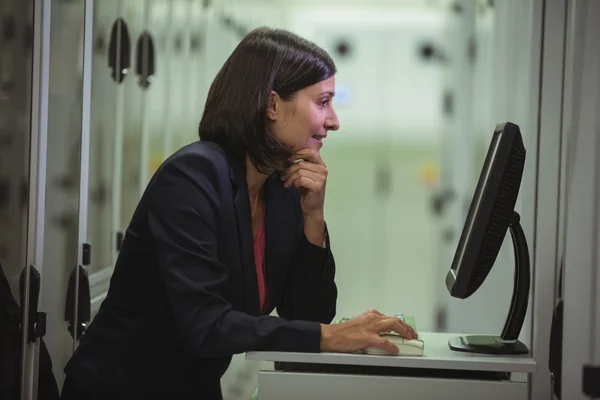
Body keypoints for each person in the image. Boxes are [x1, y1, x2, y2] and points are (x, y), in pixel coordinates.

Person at [60, 27, 417, 399]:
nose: (334, 121)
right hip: (121, 388)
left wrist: (314, 216)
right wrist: (332, 337)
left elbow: (308, 315)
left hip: (191, 387)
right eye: (323, 102)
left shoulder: (280, 187)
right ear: (273, 104)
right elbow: (206, 324)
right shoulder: (192, 176)